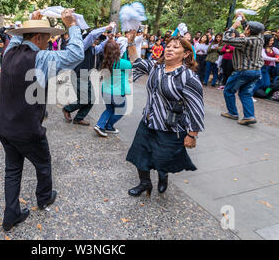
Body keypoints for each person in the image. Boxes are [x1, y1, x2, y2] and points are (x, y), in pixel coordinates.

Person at [0, 9, 83, 231]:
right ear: (37, 38)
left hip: (5, 127)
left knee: (12, 169)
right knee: (43, 163)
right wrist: (71, 24)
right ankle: (44, 197)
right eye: (47, 37)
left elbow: (17, 38)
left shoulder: (8, 54)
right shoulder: (41, 57)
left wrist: (30, 21)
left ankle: (11, 214)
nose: (49, 41)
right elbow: (76, 54)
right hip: (27, 129)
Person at [125, 32, 204, 197]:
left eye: (176, 47)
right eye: (168, 46)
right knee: (140, 155)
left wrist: (192, 134)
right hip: (148, 122)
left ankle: (163, 175)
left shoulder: (188, 77)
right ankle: (145, 183)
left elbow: (196, 107)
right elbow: (136, 61)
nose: (169, 49)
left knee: (163, 159)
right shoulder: (156, 67)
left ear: (186, 53)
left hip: (170, 127)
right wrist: (131, 42)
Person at [62, 22, 115, 126]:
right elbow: (92, 35)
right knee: (84, 99)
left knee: (91, 100)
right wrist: (106, 27)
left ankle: (79, 118)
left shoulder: (92, 49)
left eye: (97, 39)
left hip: (86, 77)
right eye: (95, 39)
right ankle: (67, 109)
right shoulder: (83, 47)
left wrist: (109, 39)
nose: (96, 40)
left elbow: (100, 46)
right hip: (78, 76)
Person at [221, 12, 264, 125]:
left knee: (229, 90)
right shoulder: (260, 39)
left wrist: (233, 27)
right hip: (256, 71)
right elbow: (252, 31)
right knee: (245, 94)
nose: (246, 29)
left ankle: (232, 113)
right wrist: (244, 21)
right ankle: (249, 116)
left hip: (244, 71)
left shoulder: (245, 41)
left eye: (247, 28)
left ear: (249, 31)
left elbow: (226, 39)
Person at [94, 39, 132, 137]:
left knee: (109, 110)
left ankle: (100, 125)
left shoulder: (104, 62)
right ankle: (108, 126)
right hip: (117, 93)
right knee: (121, 110)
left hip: (105, 91)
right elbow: (130, 69)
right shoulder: (124, 63)